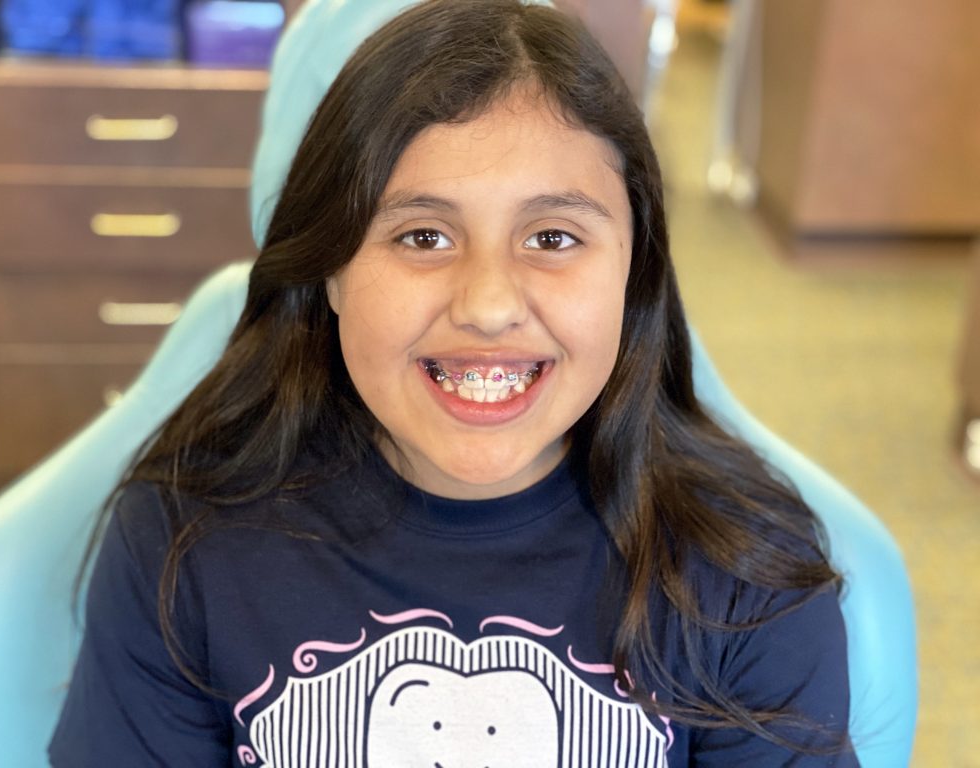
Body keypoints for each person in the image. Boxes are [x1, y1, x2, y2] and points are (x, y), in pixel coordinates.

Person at [49, 1, 858, 765]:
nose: (490, 304)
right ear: (329, 269)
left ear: (634, 273)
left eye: (551, 235)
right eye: (424, 235)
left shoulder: (742, 569)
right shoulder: (185, 538)